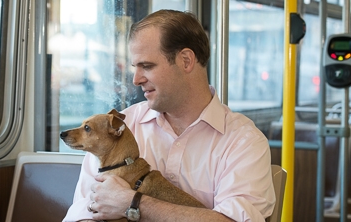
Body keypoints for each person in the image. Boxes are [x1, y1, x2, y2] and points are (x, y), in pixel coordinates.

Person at [63, 9, 275, 222]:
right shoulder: (119, 128)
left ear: (185, 61)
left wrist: (133, 203)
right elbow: (82, 211)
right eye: (135, 67)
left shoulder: (244, 142)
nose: (136, 79)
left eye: (147, 66)